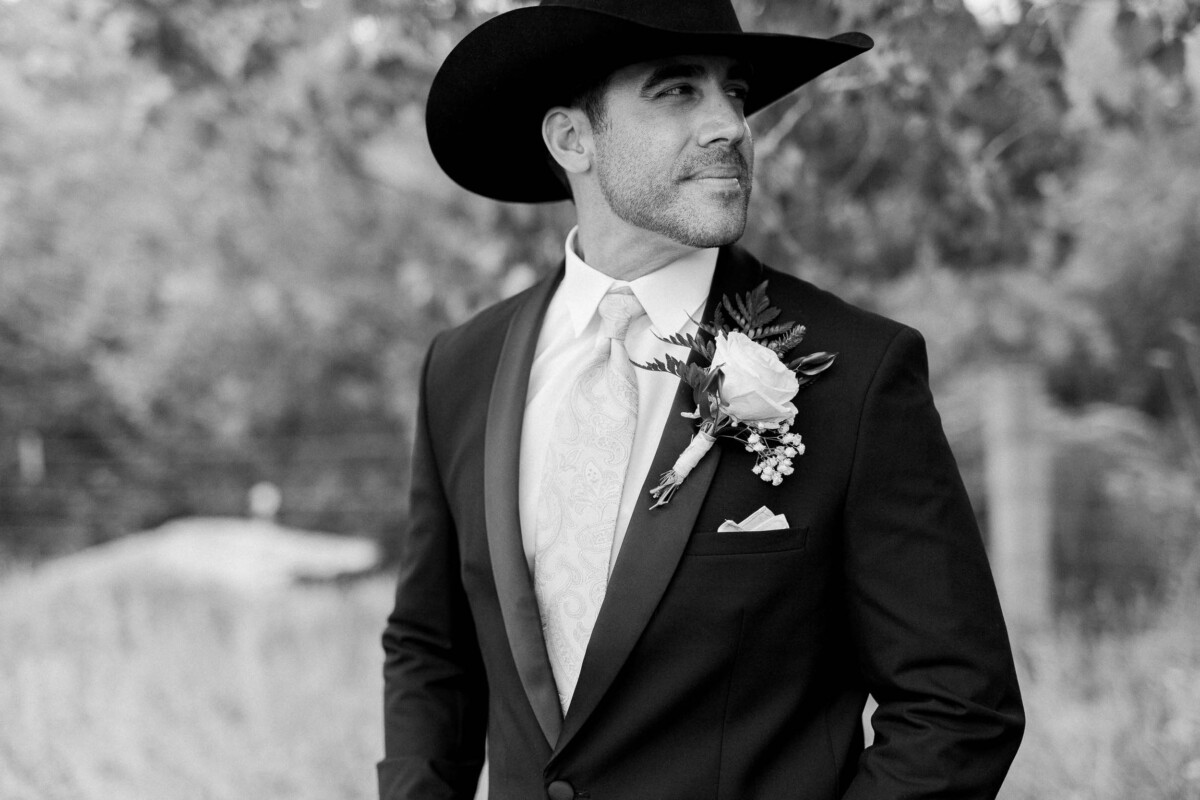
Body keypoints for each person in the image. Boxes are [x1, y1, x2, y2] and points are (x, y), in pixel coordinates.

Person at [379, 1, 1025, 798]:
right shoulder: (461, 369)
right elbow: (430, 649)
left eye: (736, 93)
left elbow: (958, 705)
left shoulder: (857, 373)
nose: (730, 126)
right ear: (572, 139)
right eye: (678, 91)